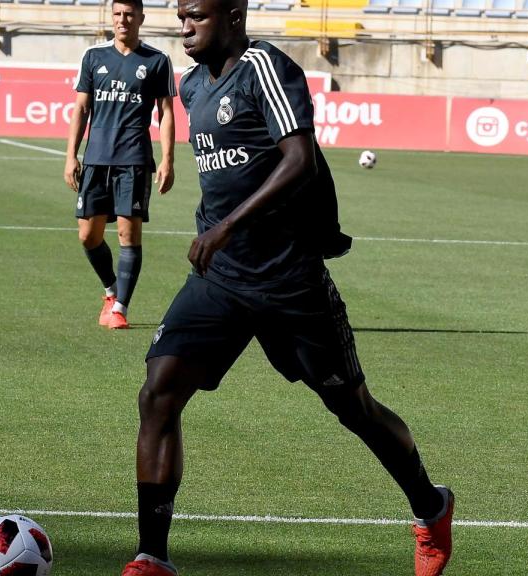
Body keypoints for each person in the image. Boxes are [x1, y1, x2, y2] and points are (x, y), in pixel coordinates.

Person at [120, 0, 454, 575]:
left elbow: (300, 160)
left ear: (233, 15)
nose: (184, 28)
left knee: (354, 409)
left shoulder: (266, 68)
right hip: (221, 279)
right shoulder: (192, 85)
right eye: (180, 17)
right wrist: (220, 232)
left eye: (196, 16)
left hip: (288, 281)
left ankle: (431, 506)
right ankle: (152, 556)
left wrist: (228, 226)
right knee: (158, 393)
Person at [64, 0, 177, 330]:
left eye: (129, 14)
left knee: (129, 234)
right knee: (88, 236)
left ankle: (120, 309)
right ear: (111, 17)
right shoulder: (93, 57)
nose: (123, 20)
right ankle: (111, 292)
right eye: (117, 14)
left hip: (133, 160)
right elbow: (81, 109)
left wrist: (168, 159)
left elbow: (166, 113)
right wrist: (71, 155)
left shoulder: (157, 60)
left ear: (141, 17)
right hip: (96, 159)